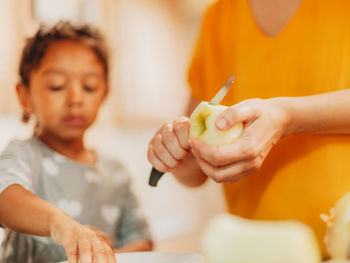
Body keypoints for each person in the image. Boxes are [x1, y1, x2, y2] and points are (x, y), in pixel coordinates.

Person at [147, 0, 350, 258]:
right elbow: (194, 167)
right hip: (254, 253)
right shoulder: (218, 17)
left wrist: (288, 117)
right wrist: (181, 157)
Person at [0, 22, 153, 263]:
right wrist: (60, 224)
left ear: (104, 95)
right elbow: (4, 197)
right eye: (57, 86)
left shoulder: (116, 173)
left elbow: (141, 240)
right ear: (25, 96)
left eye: (89, 87)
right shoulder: (23, 154)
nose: (76, 98)